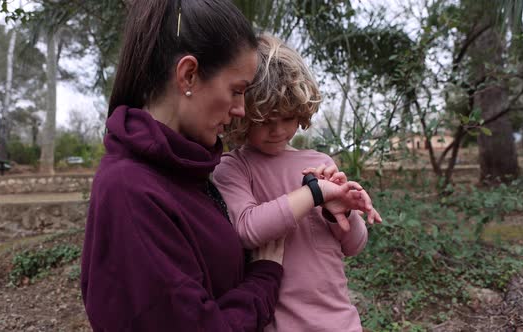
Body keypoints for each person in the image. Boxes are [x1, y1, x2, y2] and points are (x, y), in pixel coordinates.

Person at [80, 1, 364, 331]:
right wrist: (263, 280)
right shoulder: (131, 191)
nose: (242, 110)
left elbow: (351, 242)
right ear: (188, 75)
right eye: (237, 91)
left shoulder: (186, 171)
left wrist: (337, 209)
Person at [213, 34, 383, 332]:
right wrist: (314, 193)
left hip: (340, 322)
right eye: (264, 120)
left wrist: (336, 211)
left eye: (288, 117)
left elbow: (354, 245)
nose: (278, 130)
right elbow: (247, 229)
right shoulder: (235, 167)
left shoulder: (321, 163)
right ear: (242, 115)